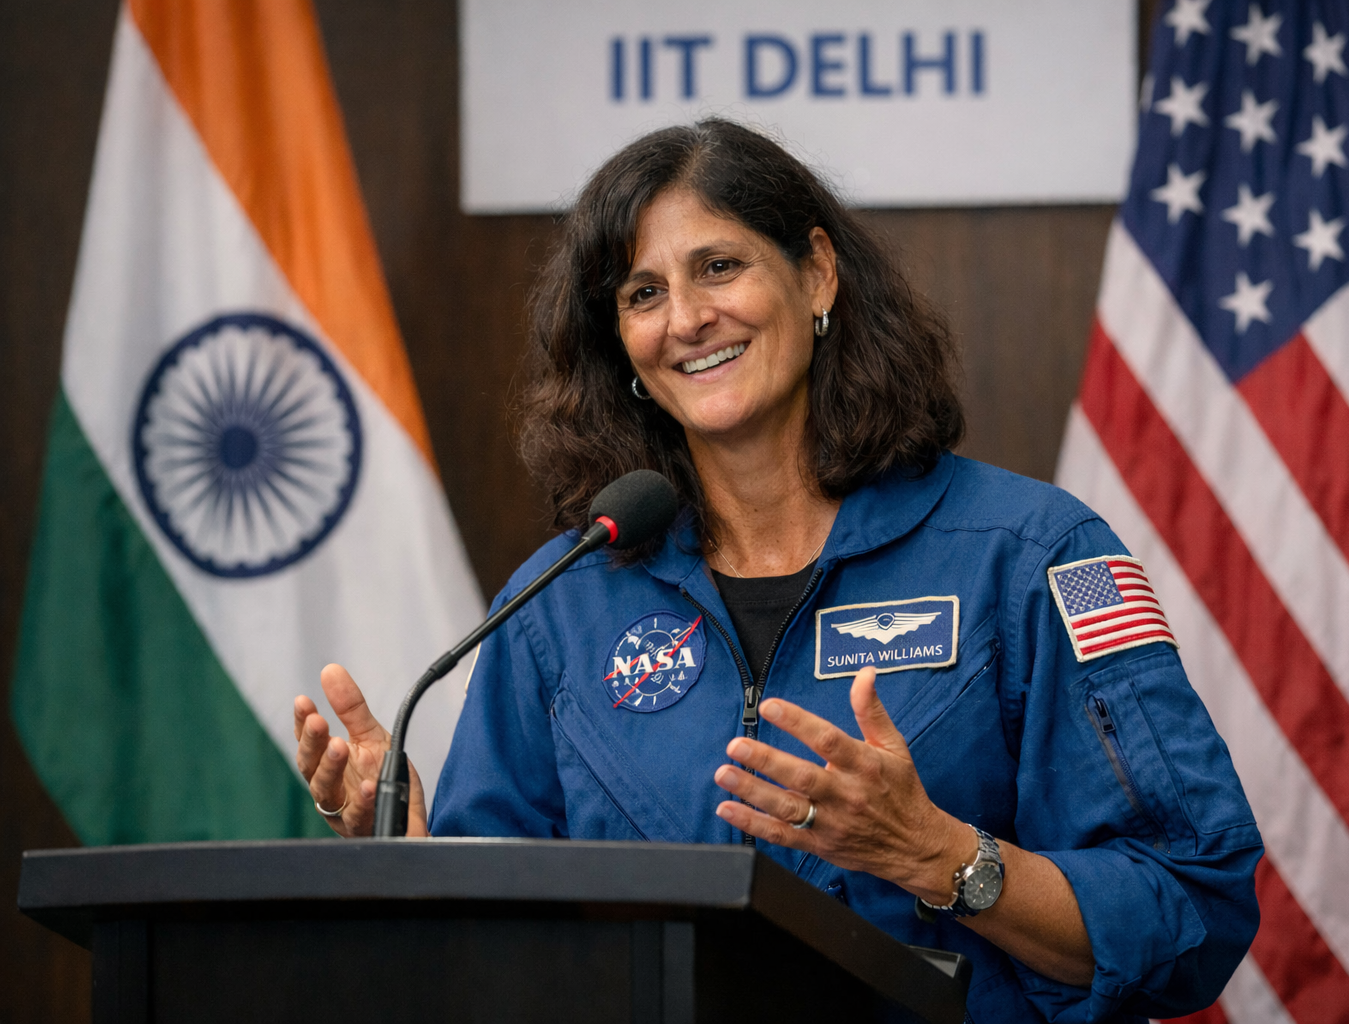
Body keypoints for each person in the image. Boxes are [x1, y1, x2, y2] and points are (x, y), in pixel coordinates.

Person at [292, 119, 1261, 1022]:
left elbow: (1192, 906)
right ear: (621, 343)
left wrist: (941, 855)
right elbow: (502, 964)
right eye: (643, 293)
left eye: (719, 267)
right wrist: (422, 863)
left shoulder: (1035, 555)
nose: (687, 318)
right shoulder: (562, 601)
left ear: (818, 276)